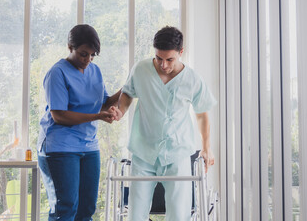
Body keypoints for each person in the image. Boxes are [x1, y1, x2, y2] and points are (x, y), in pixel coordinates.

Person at [111, 26, 216, 221]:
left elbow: (202, 113)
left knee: (179, 214)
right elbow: (127, 92)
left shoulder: (192, 79)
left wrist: (207, 148)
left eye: (170, 59)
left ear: (181, 53)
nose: (163, 65)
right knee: (136, 213)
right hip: (144, 151)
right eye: (159, 58)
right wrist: (121, 111)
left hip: (178, 153)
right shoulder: (141, 69)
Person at [37, 24, 120, 221]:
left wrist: (126, 89)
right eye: (83, 54)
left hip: (89, 146)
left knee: (86, 208)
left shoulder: (95, 71)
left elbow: (103, 103)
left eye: (92, 55)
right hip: (60, 146)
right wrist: (97, 117)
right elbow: (60, 115)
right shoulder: (57, 73)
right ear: (70, 47)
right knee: (65, 208)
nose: (87, 60)